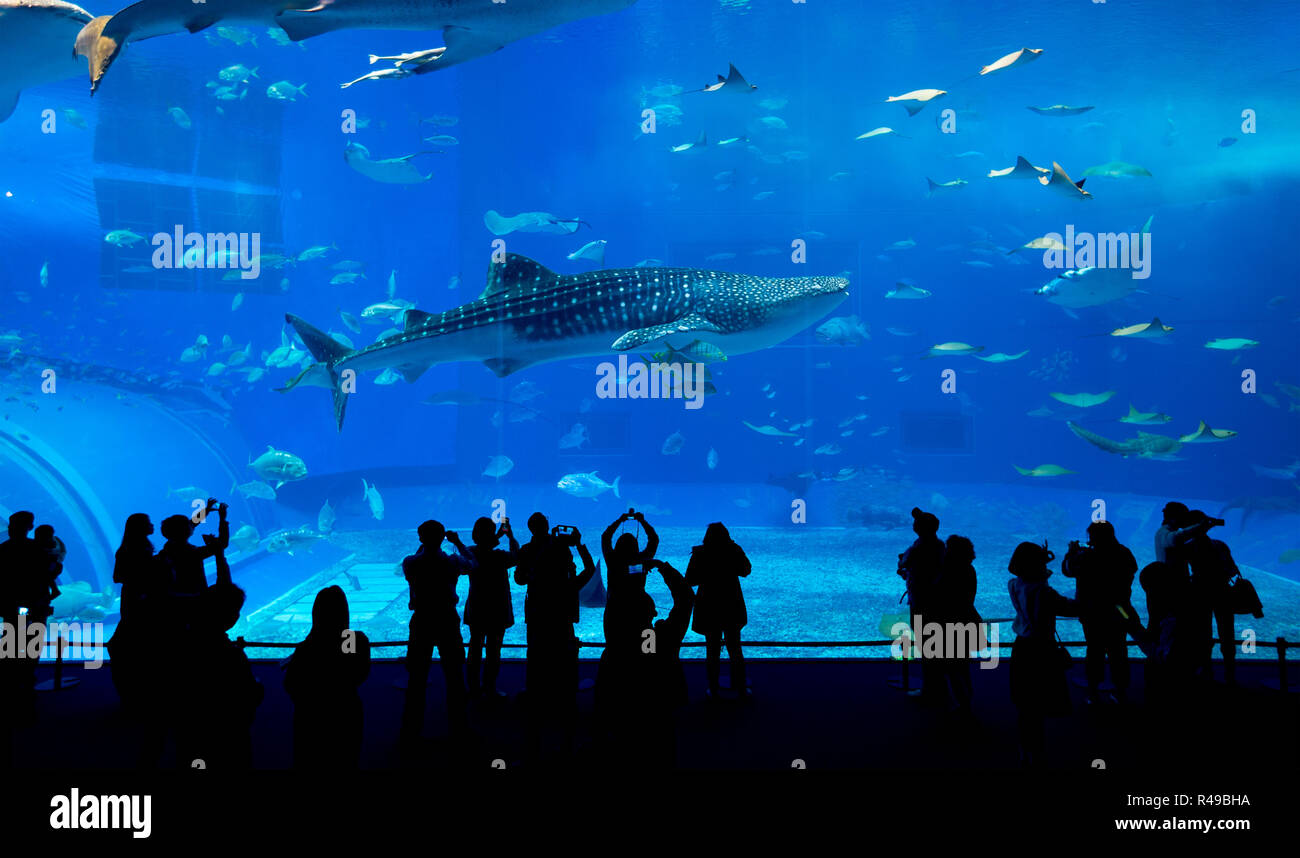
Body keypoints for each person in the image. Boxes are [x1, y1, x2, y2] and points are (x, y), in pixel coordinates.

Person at [596, 556, 694, 768]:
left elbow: (621, 594)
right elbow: (686, 598)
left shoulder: (615, 641)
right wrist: (661, 567)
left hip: (622, 712)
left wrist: (636, 568)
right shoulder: (664, 638)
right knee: (662, 754)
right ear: (651, 612)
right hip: (658, 712)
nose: (656, 611)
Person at [515, 512, 596, 758]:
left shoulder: (529, 550)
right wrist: (579, 544)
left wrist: (533, 576)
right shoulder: (562, 558)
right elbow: (590, 569)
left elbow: (519, 579)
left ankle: (535, 718)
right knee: (565, 667)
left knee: (537, 663)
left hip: (538, 617)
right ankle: (566, 724)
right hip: (561, 621)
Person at [176, 580, 263, 769]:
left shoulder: (180, 646)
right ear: (231, 617)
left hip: (191, 731)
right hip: (228, 734)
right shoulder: (230, 655)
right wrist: (258, 687)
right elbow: (249, 695)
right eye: (236, 611)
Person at [401, 520, 474, 740]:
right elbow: (473, 564)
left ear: (420, 539)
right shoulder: (452, 562)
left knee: (417, 677)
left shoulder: (410, 563)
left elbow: (415, 561)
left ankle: (411, 731)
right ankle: (459, 728)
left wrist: (425, 545)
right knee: (454, 676)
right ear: (443, 537)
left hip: (422, 620)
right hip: (446, 620)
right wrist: (458, 542)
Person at [283, 585, 371, 769]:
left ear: (316, 613)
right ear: (344, 611)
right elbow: (358, 672)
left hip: (310, 718)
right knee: (346, 759)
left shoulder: (306, 647)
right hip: (346, 711)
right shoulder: (353, 639)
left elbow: (291, 684)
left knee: (310, 759)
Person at [1007, 541, 1077, 767]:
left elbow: (1033, 577)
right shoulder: (1044, 592)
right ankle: (1034, 751)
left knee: (1025, 700)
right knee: (1037, 701)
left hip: (1022, 647)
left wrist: (1042, 559)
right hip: (1041, 650)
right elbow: (1069, 607)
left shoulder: (1014, 584)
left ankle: (1024, 746)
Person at [1062, 521, 1137, 704]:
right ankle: (1121, 691)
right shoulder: (1124, 553)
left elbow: (1067, 570)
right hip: (1119, 610)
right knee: (1119, 650)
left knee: (1094, 650)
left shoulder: (1087, 556)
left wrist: (1072, 552)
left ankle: (1093, 693)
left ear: (1093, 536)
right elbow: (1132, 571)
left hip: (1092, 611)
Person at [686, 520, 751, 700]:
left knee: (712, 650)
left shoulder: (700, 553)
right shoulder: (732, 550)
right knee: (735, 648)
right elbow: (746, 570)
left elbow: (689, 579)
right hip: (731, 604)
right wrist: (733, 548)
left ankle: (713, 689)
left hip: (709, 605)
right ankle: (741, 689)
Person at [1180, 510, 1237, 684]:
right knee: (1227, 634)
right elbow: (1232, 569)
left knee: (1203, 633)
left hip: (1200, 592)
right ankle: (1230, 673)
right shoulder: (1220, 545)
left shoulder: (1188, 546)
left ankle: (1206, 670)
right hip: (1223, 592)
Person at [464, 516, 518, 699]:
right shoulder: (500, 557)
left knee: (474, 648)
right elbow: (516, 556)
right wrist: (509, 536)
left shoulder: (470, 554)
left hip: (477, 609)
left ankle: (472, 687)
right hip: (497, 611)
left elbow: (483, 547)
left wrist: (496, 535)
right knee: (494, 650)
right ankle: (490, 687)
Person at [155, 498, 229, 631]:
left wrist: (206, 510)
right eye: (189, 525)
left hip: (176, 602)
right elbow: (222, 544)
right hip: (196, 599)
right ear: (187, 531)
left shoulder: (166, 551)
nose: (192, 524)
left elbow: (189, 524)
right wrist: (222, 519)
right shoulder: (193, 553)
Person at [897, 507, 945, 705]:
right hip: (937, 601)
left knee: (928, 646)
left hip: (922, 602)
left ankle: (930, 690)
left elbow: (904, 565)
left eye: (916, 523)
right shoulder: (940, 545)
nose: (913, 525)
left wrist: (905, 570)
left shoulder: (919, 548)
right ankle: (938, 687)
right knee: (936, 645)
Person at [932, 534, 980, 720]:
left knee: (953, 667)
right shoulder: (969, 569)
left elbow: (938, 593)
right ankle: (965, 701)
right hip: (967, 619)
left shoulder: (949, 571)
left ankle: (963, 705)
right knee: (962, 666)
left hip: (951, 623)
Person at [32, 524, 66, 601]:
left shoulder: (50, 543)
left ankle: (54, 590)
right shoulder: (56, 541)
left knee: (44, 574)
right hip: (53, 566)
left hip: (51, 566)